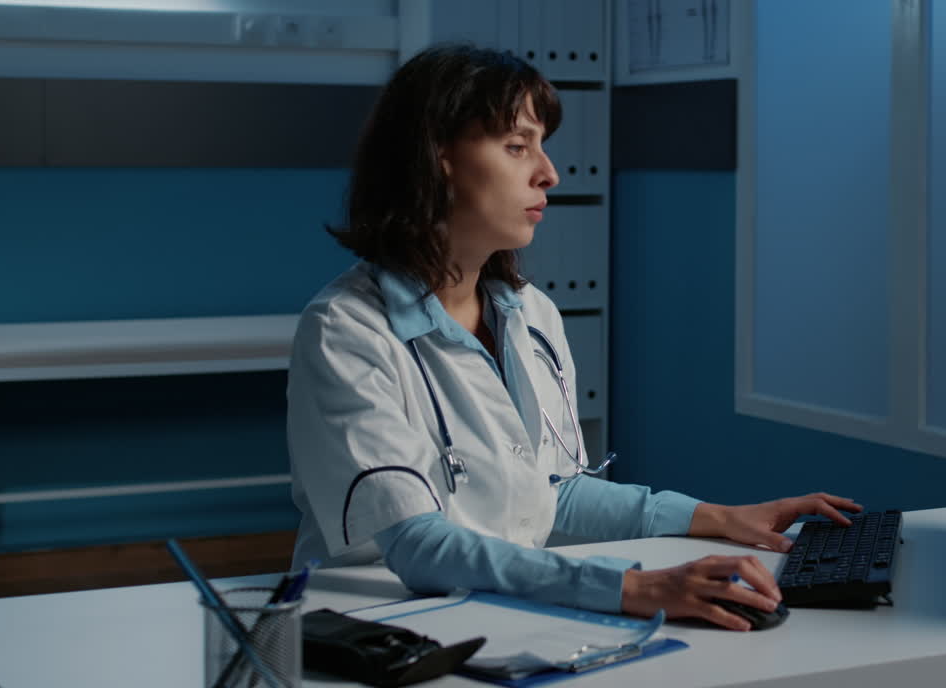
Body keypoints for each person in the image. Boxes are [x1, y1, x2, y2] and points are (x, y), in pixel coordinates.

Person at [286, 44, 861, 631]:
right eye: (517, 146)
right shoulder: (346, 330)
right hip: (384, 627)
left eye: (542, 145)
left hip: (500, 611)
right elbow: (416, 545)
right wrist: (630, 587)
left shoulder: (530, 313)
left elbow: (554, 492)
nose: (549, 173)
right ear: (438, 157)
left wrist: (722, 518)